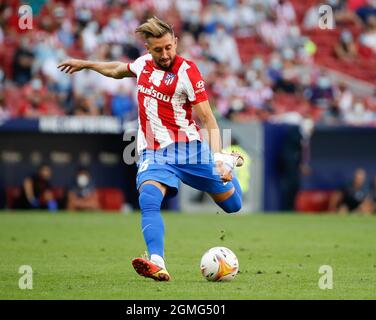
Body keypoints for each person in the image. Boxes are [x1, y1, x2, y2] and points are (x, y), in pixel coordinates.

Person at [58, 17, 244, 282]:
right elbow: (116, 70)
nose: (165, 54)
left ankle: (230, 162)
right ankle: (157, 261)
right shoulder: (143, 64)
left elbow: (208, 118)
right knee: (148, 197)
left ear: (175, 42)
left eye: (169, 47)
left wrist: (219, 160)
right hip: (154, 151)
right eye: (158, 50)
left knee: (233, 205)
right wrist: (85, 64)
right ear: (148, 49)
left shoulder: (187, 72)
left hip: (190, 148)